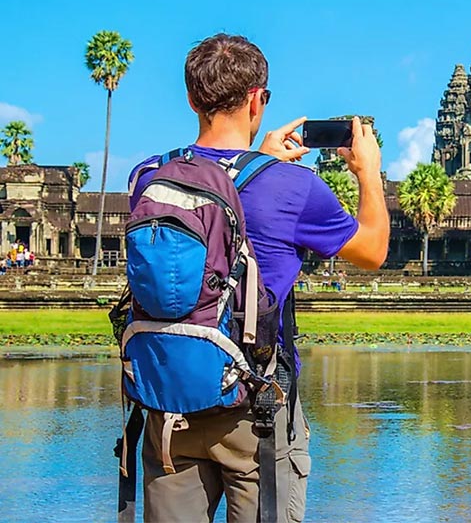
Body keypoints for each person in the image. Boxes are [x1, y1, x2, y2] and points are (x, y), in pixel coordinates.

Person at [128, 33, 389, 522]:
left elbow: (218, 183)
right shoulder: (294, 186)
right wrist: (368, 171)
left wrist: (258, 160)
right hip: (256, 409)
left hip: (167, 402)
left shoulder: (149, 176)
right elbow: (372, 250)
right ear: (256, 99)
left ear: (191, 99)